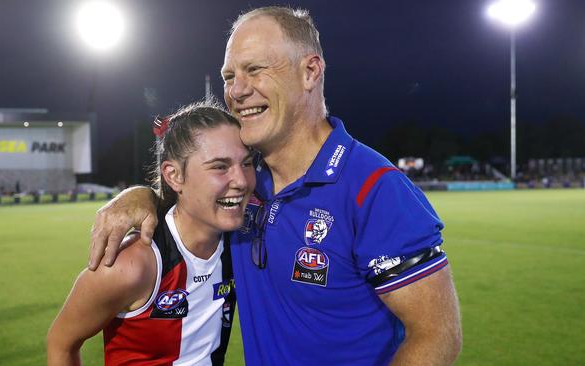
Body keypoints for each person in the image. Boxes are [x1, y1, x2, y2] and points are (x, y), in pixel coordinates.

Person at [88, 6, 462, 365]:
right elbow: (189, 202)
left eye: (254, 69)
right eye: (229, 76)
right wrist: (140, 196)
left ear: (310, 72)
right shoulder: (243, 181)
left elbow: (437, 335)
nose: (236, 91)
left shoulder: (376, 190)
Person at [47, 102, 255, 365]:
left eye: (247, 163)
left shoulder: (241, 241)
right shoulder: (131, 266)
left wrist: (140, 194)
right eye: (220, 167)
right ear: (174, 175)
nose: (242, 180)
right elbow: (61, 343)